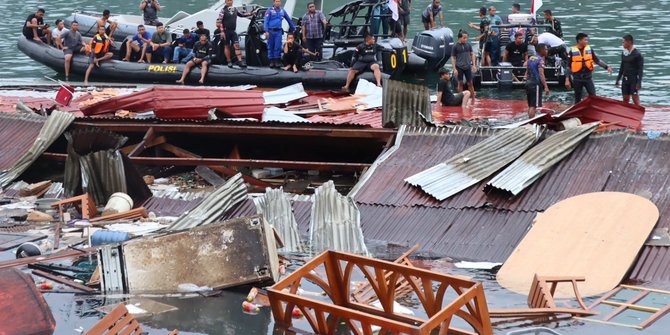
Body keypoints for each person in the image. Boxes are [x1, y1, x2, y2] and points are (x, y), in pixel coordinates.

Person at [566, 33, 612, 103]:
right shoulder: (572, 51)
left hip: (588, 78)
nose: (587, 41)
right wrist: (567, 79)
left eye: (587, 40)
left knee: (593, 96)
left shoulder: (589, 49)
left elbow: (597, 60)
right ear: (579, 40)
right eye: (585, 40)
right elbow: (568, 66)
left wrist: (606, 67)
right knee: (577, 98)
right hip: (577, 78)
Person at [219, 0, 252, 67]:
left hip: (233, 31)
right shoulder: (223, 10)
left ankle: (240, 61)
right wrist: (222, 31)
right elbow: (220, 21)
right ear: (225, 2)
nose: (229, 2)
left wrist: (252, 13)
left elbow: (242, 14)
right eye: (228, 1)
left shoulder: (235, 9)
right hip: (226, 31)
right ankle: (229, 61)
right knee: (227, 46)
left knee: (237, 45)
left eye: (230, 0)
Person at [264, 0, 296, 69]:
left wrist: (293, 28)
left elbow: (288, 20)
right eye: (276, 1)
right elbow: (266, 21)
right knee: (270, 46)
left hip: (278, 32)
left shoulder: (282, 11)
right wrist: (266, 31)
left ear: (281, 3)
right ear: (274, 2)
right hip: (270, 31)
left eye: (279, 1)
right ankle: (271, 61)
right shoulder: (269, 10)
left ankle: (277, 61)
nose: (277, 2)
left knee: (277, 46)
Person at [615, 34, 644, 106]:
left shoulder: (637, 54)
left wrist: (639, 83)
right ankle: (626, 115)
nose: (622, 44)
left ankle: (639, 113)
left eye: (623, 42)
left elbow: (640, 70)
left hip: (634, 79)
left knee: (635, 98)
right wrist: (618, 79)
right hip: (625, 79)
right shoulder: (624, 53)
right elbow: (622, 67)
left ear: (629, 42)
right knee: (625, 99)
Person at [451, 31, 476, 104]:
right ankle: (461, 98)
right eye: (464, 38)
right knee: (460, 83)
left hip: (467, 66)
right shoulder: (455, 46)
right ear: (459, 38)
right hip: (459, 67)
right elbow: (453, 58)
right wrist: (454, 69)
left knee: (470, 83)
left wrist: (474, 65)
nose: (465, 39)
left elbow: (472, 54)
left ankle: (473, 98)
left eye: (466, 38)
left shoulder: (468, 45)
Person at [525, 43, 549, 118]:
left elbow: (526, 67)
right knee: (534, 106)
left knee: (530, 105)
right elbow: (541, 73)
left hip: (528, 83)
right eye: (546, 49)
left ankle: (529, 120)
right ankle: (531, 123)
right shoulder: (540, 60)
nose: (547, 51)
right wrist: (546, 86)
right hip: (535, 84)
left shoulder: (531, 58)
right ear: (542, 50)